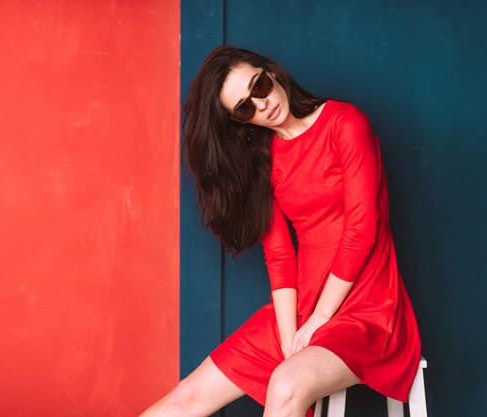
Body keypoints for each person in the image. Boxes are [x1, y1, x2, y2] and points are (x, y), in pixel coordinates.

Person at [139, 45, 421, 417]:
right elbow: (280, 257)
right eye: (245, 107)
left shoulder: (344, 123)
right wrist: (291, 338)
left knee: (287, 383)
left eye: (259, 86)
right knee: (184, 399)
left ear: (270, 71)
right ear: (240, 121)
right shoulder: (265, 163)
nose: (262, 104)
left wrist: (318, 323)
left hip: (367, 309)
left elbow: (361, 228)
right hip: (300, 313)